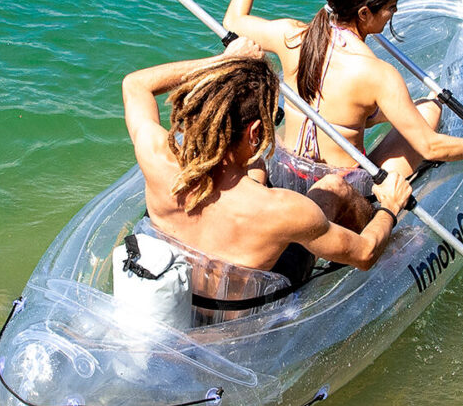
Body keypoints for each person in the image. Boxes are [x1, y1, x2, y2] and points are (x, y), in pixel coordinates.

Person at [222, 0, 463, 195]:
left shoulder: (292, 36)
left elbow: (233, 21)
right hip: (339, 189)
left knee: (392, 111)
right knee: (430, 110)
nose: (395, 12)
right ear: (363, 14)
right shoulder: (378, 74)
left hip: (281, 169)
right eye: (391, 7)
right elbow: (429, 147)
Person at [121, 38, 412, 287]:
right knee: (334, 187)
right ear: (254, 132)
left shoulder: (156, 155)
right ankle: (383, 230)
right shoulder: (283, 210)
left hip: (182, 288)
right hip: (245, 311)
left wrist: (224, 62)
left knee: (257, 167)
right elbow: (364, 255)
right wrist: (390, 208)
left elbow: (135, 84)